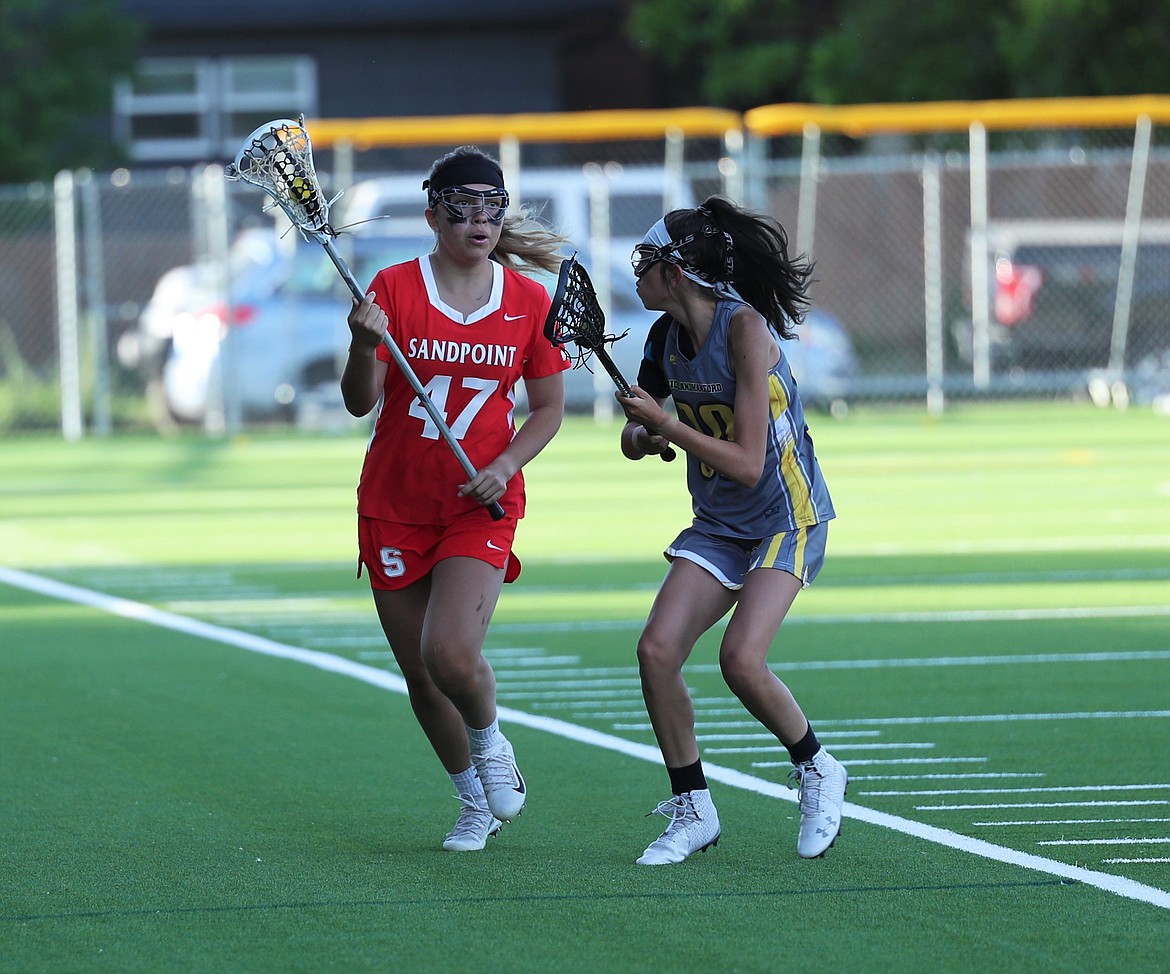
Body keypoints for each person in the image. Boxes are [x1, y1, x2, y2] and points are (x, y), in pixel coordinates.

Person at [341, 146, 570, 852]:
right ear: (433, 213)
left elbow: (548, 410)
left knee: (451, 652)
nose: (480, 219)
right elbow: (359, 404)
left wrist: (504, 466)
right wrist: (360, 344)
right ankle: (471, 797)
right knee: (420, 674)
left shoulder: (529, 300)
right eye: (463, 205)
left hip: (479, 502)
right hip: (396, 498)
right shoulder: (394, 288)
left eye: (491, 206)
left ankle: (491, 739)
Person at [616, 195, 847, 865]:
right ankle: (693, 810)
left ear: (679, 272)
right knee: (656, 651)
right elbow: (642, 433)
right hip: (719, 523)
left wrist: (667, 428)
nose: (638, 272)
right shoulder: (663, 339)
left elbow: (748, 464)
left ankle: (817, 767)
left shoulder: (745, 332)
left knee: (741, 659)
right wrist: (644, 434)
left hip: (784, 516)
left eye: (648, 261)